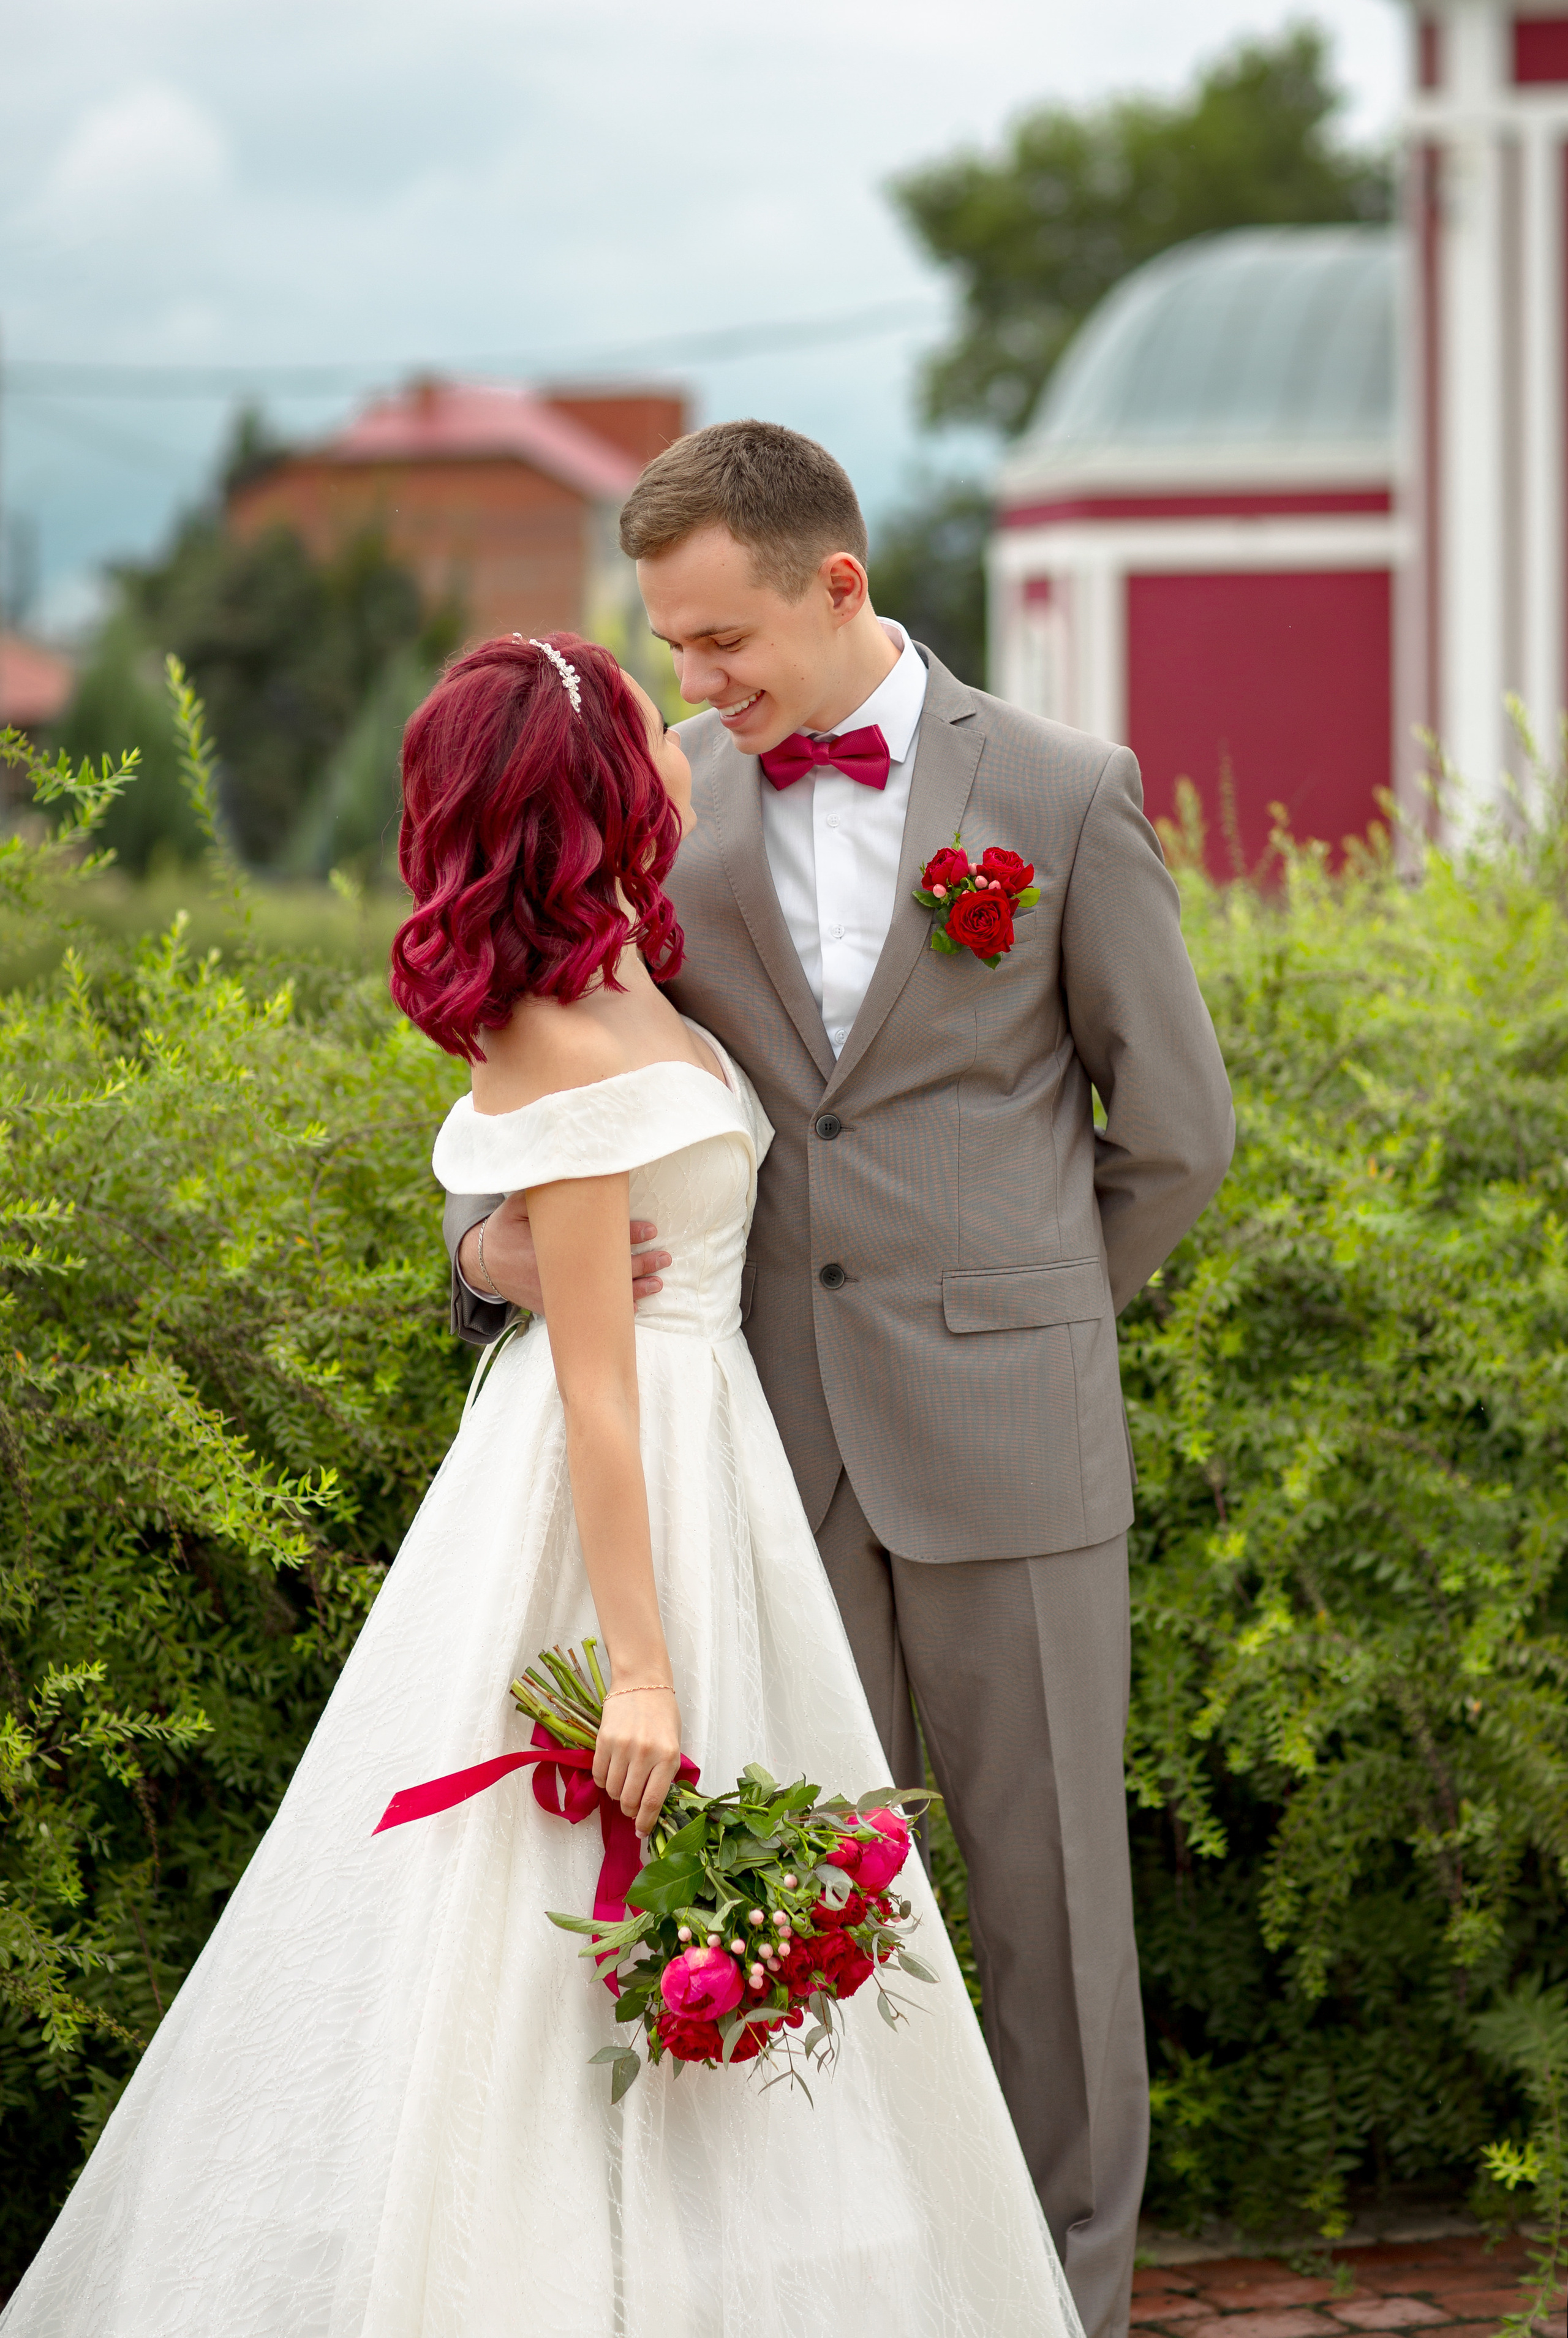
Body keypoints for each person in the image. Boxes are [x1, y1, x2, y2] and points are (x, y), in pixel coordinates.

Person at [1, 631, 1082, 2338]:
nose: (681, 746)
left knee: (729, 1897)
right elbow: (592, 1387)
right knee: (547, 1925)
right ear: (589, 791)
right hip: (623, 1488)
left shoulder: (631, 972)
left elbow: (550, 1252)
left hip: (707, 1457)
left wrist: (494, 1251)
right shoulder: (568, 1043)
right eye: (655, 726)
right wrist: (639, 1670)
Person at [447, 422, 1235, 2338]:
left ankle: (1071, 2304)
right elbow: (551, 1094)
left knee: (1050, 1921)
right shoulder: (662, 813)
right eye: (671, 648)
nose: (695, 684)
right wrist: (483, 1266)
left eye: (721, 641)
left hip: (1009, 1451)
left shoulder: (1056, 793)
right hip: (757, 1464)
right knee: (796, 1902)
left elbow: (1180, 1132)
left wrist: (1031, 1318)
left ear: (839, 587)